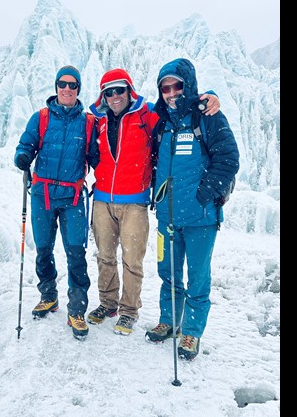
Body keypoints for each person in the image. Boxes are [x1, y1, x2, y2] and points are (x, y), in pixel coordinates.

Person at [84, 68, 221, 336]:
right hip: (102, 200)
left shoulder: (146, 114)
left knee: (132, 260)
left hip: (135, 201)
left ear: (129, 90)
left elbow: (178, 108)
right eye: (108, 92)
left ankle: (128, 310)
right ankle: (108, 303)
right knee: (105, 256)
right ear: (103, 95)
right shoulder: (95, 120)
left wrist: (210, 97)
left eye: (119, 90)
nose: (114, 96)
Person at [145, 58, 239, 361]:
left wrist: (204, 195)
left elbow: (228, 159)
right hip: (167, 216)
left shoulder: (207, 117)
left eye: (177, 86)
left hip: (200, 218)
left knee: (198, 278)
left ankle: (192, 332)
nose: (171, 93)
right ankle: (170, 321)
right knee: (168, 273)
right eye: (165, 88)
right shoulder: (161, 123)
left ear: (187, 86)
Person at [13, 65, 100, 340]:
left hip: (73, 197)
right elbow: (26, 145)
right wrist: (23, 156)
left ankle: (76, 309)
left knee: (76, 254)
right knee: (43, 250)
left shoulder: (87, 123)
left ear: (78, 90)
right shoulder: (40, 118)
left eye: (72, 85)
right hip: (42, 195)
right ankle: (48, 295)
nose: (66, 89)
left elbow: (99, 156)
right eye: (62, 84)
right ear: (56, 87)